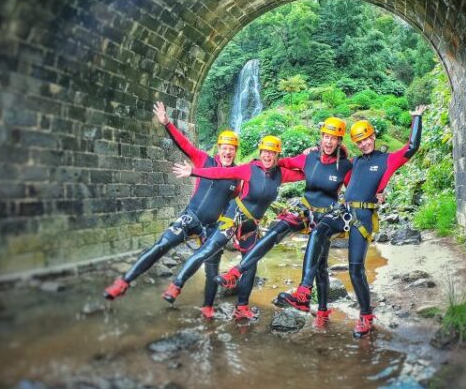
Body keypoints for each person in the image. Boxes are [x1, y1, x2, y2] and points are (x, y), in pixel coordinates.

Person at [277, 105, 427, 338]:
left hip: (363, 218)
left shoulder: (387, 160)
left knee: (355, 270)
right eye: (359, 141)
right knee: (318, 232)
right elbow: (334, 161)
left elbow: (411, 147)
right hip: (343, 212)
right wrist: (314, 151)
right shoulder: (354, 162)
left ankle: (366, 316)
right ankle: (304, 291)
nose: (364, 144)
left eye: (366, 139)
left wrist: (416, 118)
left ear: (373, 137)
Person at [103, 101, 240, 319]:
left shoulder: (237, 176)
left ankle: (208, 307)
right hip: (190, 217)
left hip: (212, 226)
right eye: (224, 148)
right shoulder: (204, 160)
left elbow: (234, 202)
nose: (227, 152)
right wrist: (167, 123)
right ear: (218, 148)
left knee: (212, 267)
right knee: (161, 246)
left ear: (235, 152)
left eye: (231, 149)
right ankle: (123, 282)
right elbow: (184, 145)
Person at [214, 117, 352, 325]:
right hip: (304, 208)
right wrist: (258, 165)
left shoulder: (346, 166)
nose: (329, 141)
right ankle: (236, 272)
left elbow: (356, 188)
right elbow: (281, 163)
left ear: (339, 140)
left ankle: (321, 312)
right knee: (275, 231)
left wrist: (377, 194)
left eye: (333, 138)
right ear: (321, 137)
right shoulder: (309, 158)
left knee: (321, 266)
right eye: (326, 136)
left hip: (327, 215)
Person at [162, 135, 305, 317]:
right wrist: (193, 172)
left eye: (272, 153)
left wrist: (308, 156)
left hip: (250, 226)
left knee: (250, 264)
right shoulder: (249, 169)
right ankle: (176, 285)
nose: (267, 156)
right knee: (208, 250)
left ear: (277, 155)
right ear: (260, 152)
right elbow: (220, 173)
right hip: (234, 217)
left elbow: (308, 173)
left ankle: (242, 308)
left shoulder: (281, 174)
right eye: (265, 152)